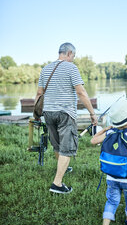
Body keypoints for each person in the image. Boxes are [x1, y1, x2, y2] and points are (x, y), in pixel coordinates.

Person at [34, 42, 98, 194]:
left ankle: (63, 167)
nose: (73, 59)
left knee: (57, 144)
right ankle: (57, 184)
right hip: (65, 114)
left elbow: (38, 94)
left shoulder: (46, 68)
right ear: (69, 53)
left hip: (48, 113)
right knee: (67, 148)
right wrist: (92, 113)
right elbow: (81, 92)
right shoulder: (71, 68)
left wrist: (36, 115)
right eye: (73, 56)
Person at [91, 98, 127, 225]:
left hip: (111, 176)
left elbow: (93, 140)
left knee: (111, 201)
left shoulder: (110, 132)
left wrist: (105, 129)